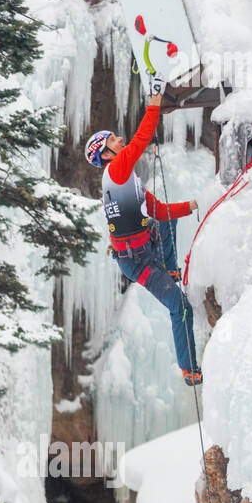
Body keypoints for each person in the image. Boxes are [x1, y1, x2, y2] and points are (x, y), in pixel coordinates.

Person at [86, 91, 203, 386]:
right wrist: (153, 105)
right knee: (181, 307)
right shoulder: (116, 169)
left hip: (144, 250)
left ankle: (172, 267)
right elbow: (141, 140)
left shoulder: (126, 179)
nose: (119, 139)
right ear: (105, 153)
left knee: (165, 219)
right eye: (112, 139)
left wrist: (192, 206)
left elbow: (160, 211)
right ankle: (189, 371)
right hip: (137, 263)